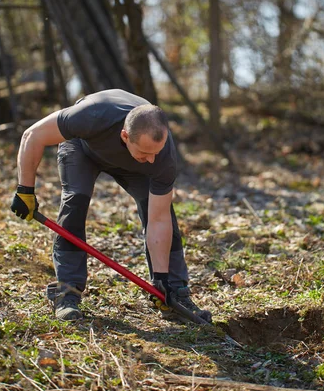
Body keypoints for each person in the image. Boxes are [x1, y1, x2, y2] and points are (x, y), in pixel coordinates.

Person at [11, 89, 212, 323]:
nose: (153, 160)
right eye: (146, 152)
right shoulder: (91, 115)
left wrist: (161, 277)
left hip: (133, 166)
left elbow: (158, 219)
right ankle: (67, 292)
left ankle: (174, 292)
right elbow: (32, 135)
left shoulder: (161, 156)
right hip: (83, 149)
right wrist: (25, 190)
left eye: (156, 152)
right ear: (125, 136)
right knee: (75, 200)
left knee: (161, 209)